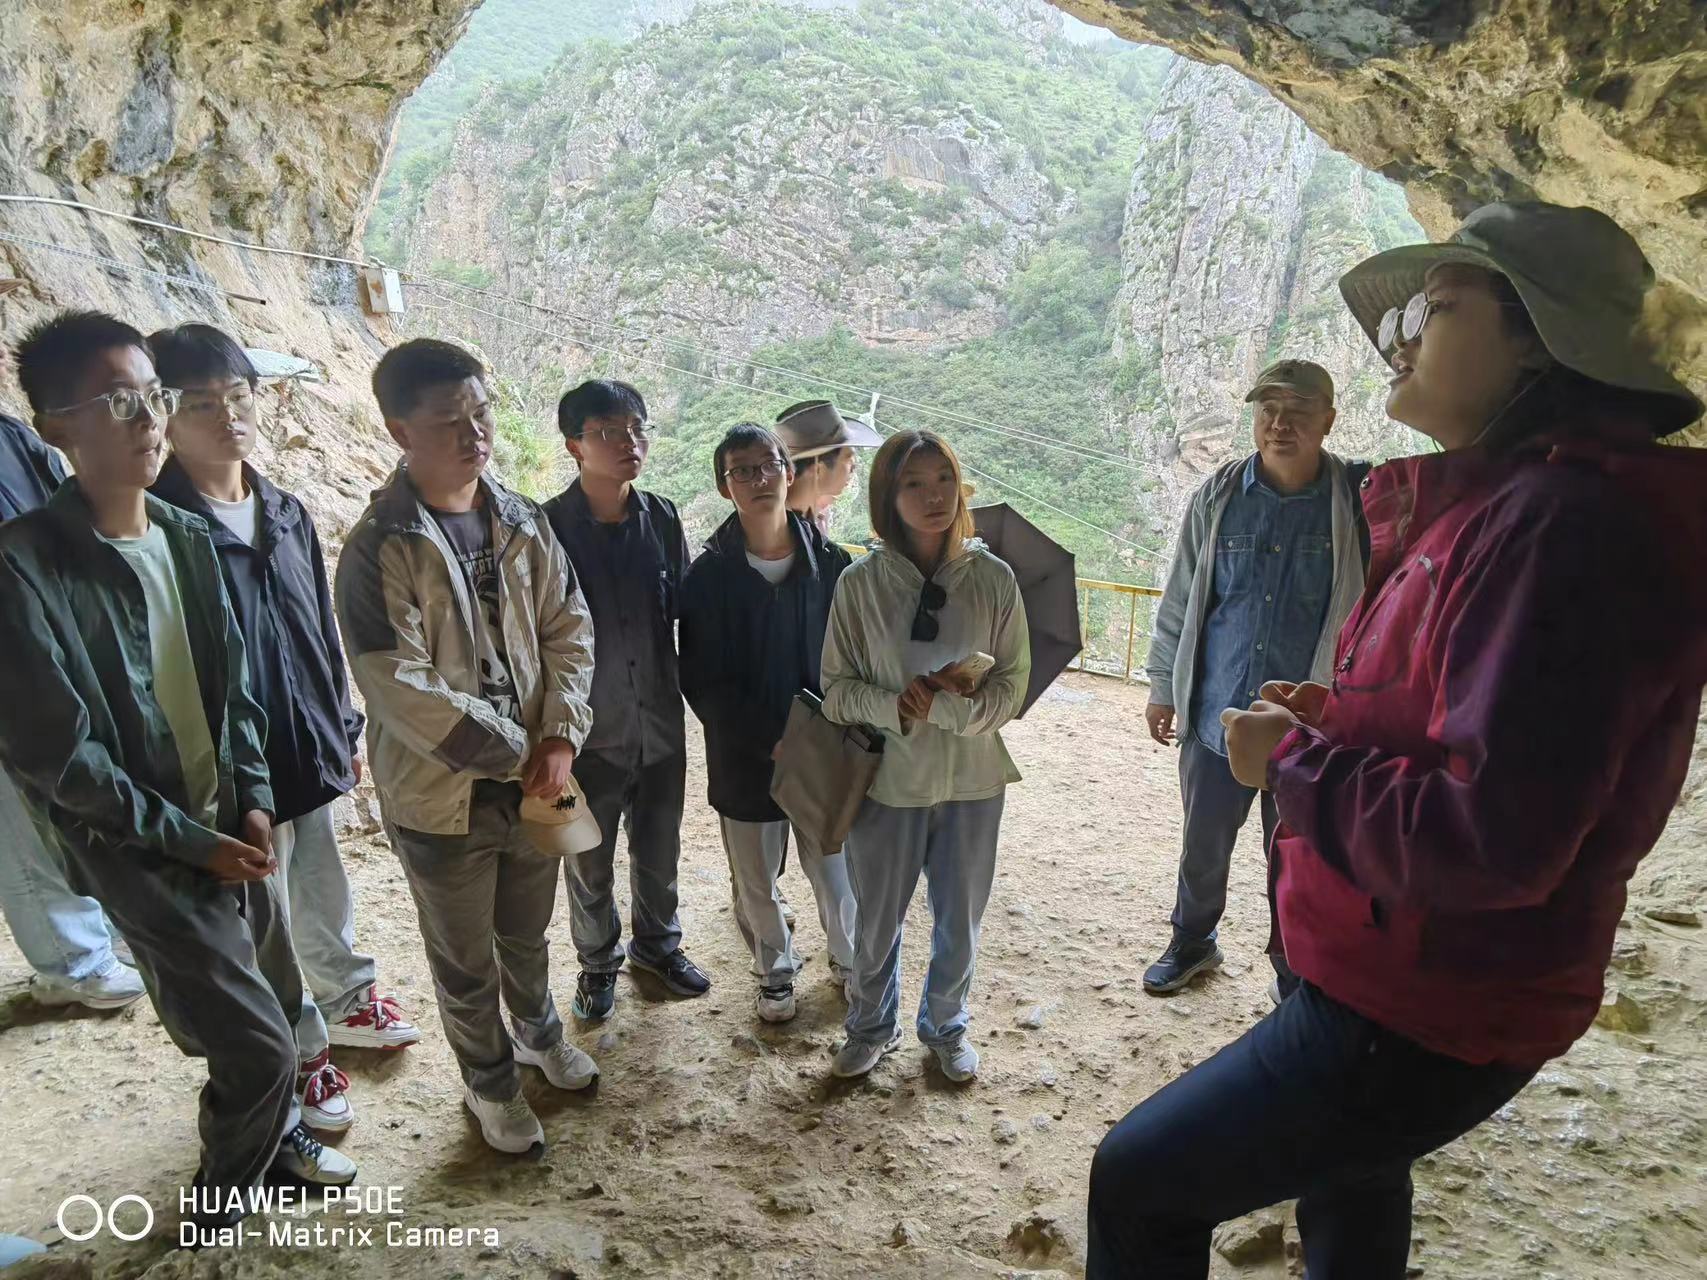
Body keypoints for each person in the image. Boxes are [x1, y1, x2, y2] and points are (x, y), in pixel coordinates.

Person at [1087, 201, 1707, 1279]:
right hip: (1394, 956)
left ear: (1534, 333)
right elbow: (1466, 722)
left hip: (1424, 993)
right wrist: (1335, 717)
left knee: (1139, 1180)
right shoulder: (1507, 507)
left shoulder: (1564, 528)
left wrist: (1287, 758)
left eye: (1433, 304)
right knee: (1353, 1174)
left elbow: (1495, 834)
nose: (1402, 336)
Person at [0, 311, 355, 1212]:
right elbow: (60, 759)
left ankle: (279, 1144)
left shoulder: (183, 535)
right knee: (253, 1045)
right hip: (139, 847)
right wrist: (192, 843)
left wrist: (256, 800)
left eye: (152, 396)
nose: (148, 420)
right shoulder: (24, 567)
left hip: (230, 824)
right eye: (117, 402)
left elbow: (235, 692)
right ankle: (223, 1203)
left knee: (275, 996)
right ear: (54, 428)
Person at [148, 323, 422, 1137]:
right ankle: (299, 1049)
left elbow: (318, 628)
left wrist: (342, 719)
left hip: (305, 735)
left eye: (238, 397)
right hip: (229, 767)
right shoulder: (158, 523)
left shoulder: (283, 510)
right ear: (164, 414)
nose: (228, 416)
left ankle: (344, 995)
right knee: (257, 915)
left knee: (322, 879)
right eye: (201, 403)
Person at [335, 338, 599, 1156]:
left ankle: (537, 1034)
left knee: (526, 930)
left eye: (480, 413)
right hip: (439, 792)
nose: (472, 433)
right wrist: (525, 749)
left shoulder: (522, 521)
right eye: (449, 420)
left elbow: (569, 632)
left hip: (534, 776)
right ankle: (487, 1083)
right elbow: (397, 684)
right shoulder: (379, 545)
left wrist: (560, 733)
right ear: (398, 430)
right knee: (462, 955)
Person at [1140, 359, 1370, 994]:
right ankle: (1193, 941)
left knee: (1296, 853)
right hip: (1218, 712)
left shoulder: (1351, 504)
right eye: (1268, 410)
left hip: (1306, 727)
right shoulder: (1216, 497)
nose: (1280, 424)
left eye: (1298, 411)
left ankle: (1293, 972)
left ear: (1328, 419)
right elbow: (1182, 599)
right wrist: (1164, 686)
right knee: (1203, 845)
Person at [821, 429, 1030, 1082]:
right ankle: (868, 1027)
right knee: (876, 920)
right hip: (887, 784)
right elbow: (834, 691)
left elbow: (1012, 687)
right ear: (889, 495)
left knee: (960, 922)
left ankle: (945, 1027)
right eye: (913, 483)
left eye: (943, 479)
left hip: (973, 783)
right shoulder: (860, 585)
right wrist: (894, 706)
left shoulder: (992, 579)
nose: (932, 495)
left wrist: (944, 707)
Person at [542, 379, 710, 1021]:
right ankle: (597, 964)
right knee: (588, 859)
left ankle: (658, 949)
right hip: (584, 731)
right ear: (574, 446)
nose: (629, 443)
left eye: (637, 428)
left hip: (661, 721)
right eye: (610, 432)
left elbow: (684, 618)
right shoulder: (547, 528)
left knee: (659, 847)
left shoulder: (662, 519)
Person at [679, 423, 857, 1024]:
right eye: (743, 471)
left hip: (824, 747)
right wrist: (768, 737)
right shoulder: (707, 577)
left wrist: (825, 732)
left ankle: (849, 960)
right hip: (744, 754)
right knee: (755, 876)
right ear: (725, 487)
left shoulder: (832, 564)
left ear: (789, 472)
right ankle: (775, 969)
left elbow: (851, 659)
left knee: (832, 867)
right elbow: (701, 678)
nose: (760, 479)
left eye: (769, 466)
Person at [0, 401, 144, 1011]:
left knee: (67, 788)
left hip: (44, 631)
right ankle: (72, 963)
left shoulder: (8, 433)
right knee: (14, 809)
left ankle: (107, 932)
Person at [775, 399, 882, 538]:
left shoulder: (816, 516)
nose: (854, 467)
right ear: (818, 470)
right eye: (848, 458)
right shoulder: (776, 531)